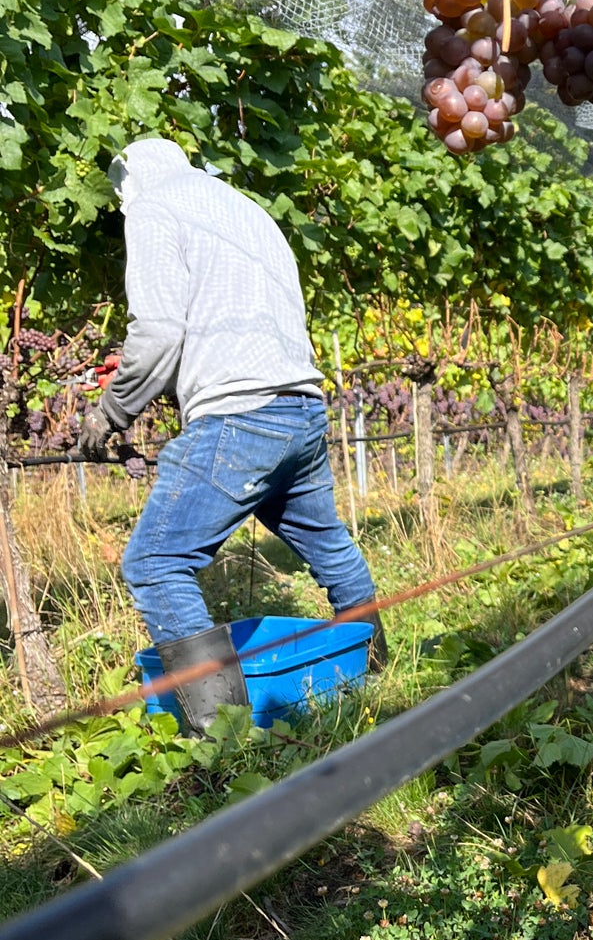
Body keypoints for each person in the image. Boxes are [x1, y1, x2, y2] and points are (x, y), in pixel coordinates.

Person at [78, 139, 383, 732]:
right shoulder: (243, 209)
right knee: (324, 539)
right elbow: (225, 325)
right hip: (300, 408)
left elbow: (161, 329)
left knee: (156, 561)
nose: (120, 208)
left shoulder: (153, 206)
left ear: (128, 179)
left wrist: (111, 411)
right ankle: (371, 665)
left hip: (240, 415)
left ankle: (222, 733)